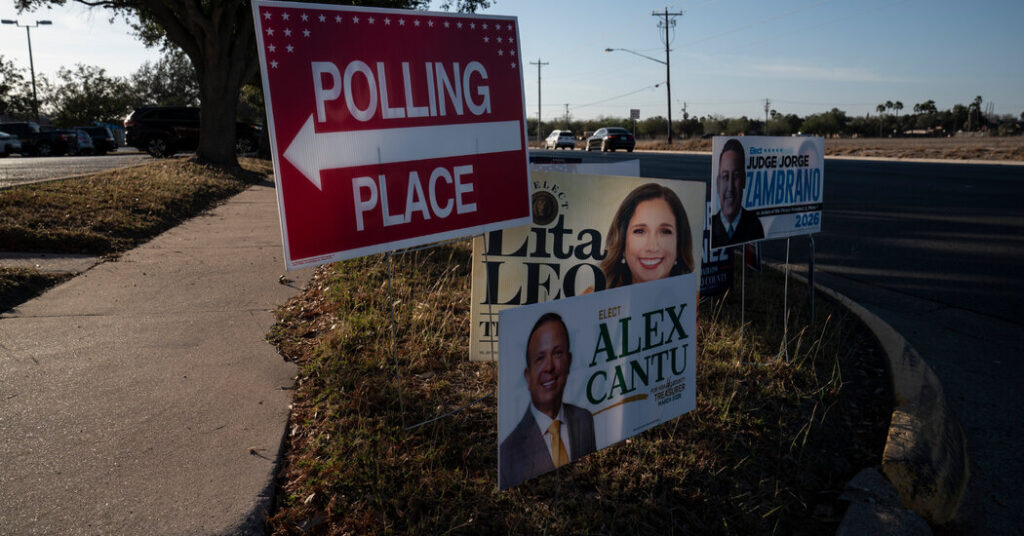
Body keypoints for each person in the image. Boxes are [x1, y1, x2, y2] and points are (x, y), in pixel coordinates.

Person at [499, 313, 596, 489]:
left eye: (558, 353)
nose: (549, 367)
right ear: (527, 376)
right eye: (540, 358)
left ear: (569, 362)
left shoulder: (585, 420)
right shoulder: (507, 455)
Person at [600, 183, 695, 289]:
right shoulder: (592, 298)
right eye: (640, 231)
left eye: (665, 231)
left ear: (679, 243)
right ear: (622, 244)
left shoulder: (696, 301)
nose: (652, 247)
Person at [711, 138, 764, 248]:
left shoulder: (755, 225)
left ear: (744, 180)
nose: (730, 187)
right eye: (725, 177)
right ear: (717, 183)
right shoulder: (710, 226)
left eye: (736, 176)